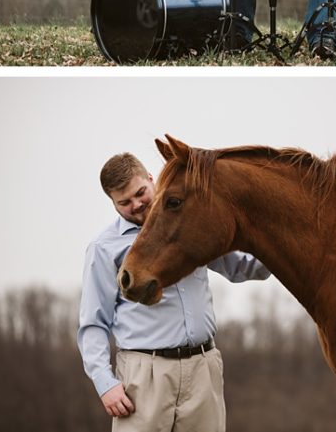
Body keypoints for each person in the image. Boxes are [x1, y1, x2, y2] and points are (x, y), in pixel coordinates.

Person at [77, 152, 271, 431]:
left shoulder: (191, 223)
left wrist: (285, 250)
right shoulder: (104, 248)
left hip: (203, 368)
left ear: (151, 180)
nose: (136, 204)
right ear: (113, 203)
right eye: (124, 202)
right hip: (144, 376)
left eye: (140, 193)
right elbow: (93, 323)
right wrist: (105, 384)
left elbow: (240, 267)